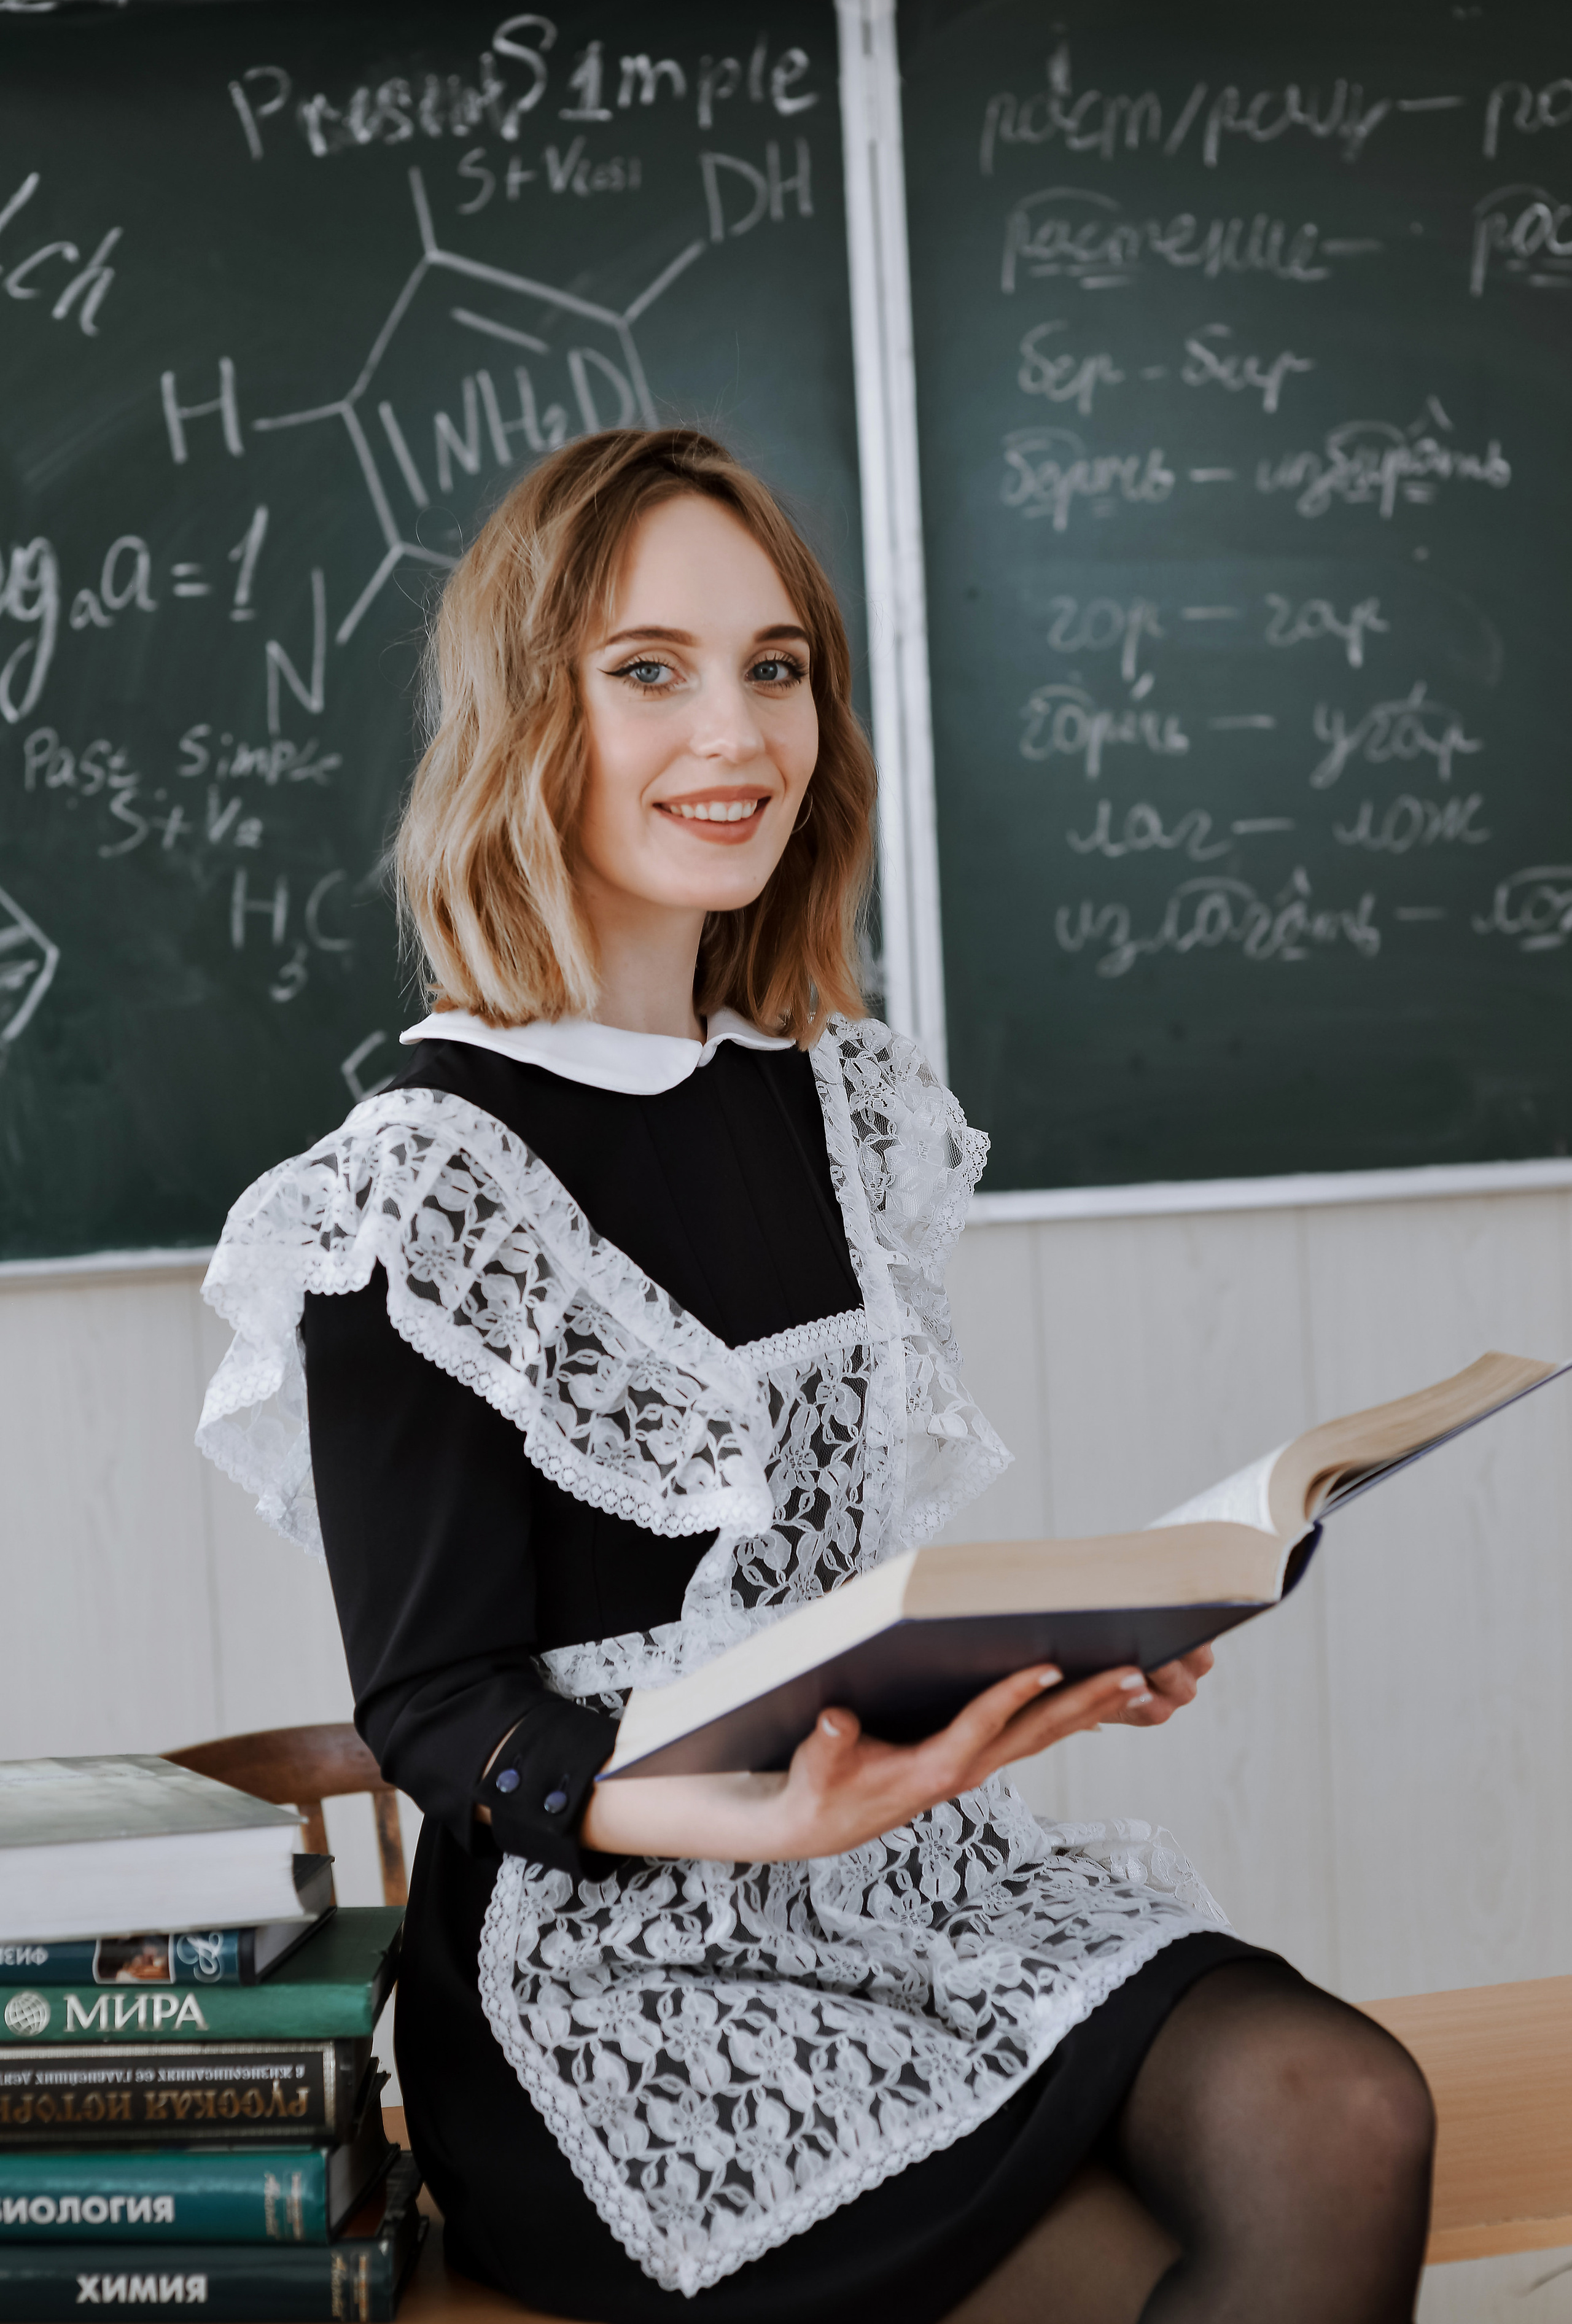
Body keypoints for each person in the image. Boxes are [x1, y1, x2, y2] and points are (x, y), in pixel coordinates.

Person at [198, 428, 1434, 2323]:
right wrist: (750, 1816)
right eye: (650, 671)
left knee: (1343, 2106)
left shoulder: (847, 1106)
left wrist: (1050, 1663)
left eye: (775, 667)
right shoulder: (406, 1192)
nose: (738, 734)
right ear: (529, 715)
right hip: (608, 1982)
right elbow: (441, 1712)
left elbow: (832, 1602)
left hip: (913, 1887)